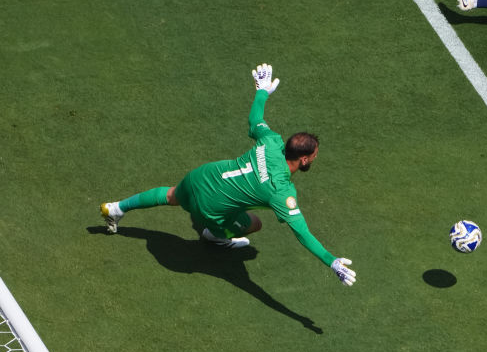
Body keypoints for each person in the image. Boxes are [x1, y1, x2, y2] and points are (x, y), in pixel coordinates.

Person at [100, 64, 357, 286]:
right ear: (304, 159)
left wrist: (261, 92)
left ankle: (116, 208)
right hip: (209, 208)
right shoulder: (282, 192)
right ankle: (216, 236)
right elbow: (302, 233)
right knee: (254, 223)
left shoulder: (271, 141)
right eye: (314, 155)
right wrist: (331, 261)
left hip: (202, 176)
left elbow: (255, 119)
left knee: (170, 195)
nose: (315, 158)